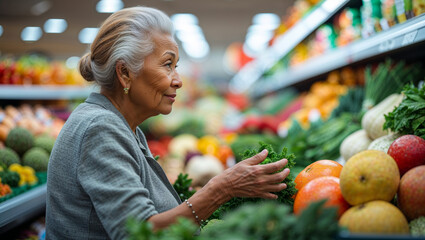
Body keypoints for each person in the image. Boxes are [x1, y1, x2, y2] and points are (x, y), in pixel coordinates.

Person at [45, 6, 290, 240]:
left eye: (176, 66)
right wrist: (221, 190)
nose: (179, 81)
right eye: (167, 65)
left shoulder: (124, 125)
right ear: (125, 73)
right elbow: (139, 233)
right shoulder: (100, 129)